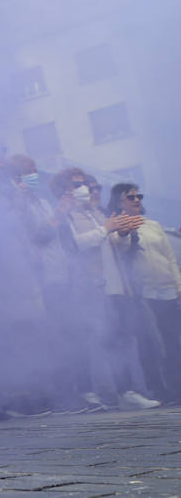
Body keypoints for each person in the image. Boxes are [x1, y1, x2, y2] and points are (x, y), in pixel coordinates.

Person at [58, 167, 161, 410]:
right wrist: (106, 229)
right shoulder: (67, 217)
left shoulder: (96, 212)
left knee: (120, 338)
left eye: (88, 185)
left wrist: (124, 233)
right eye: (78, 184)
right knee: (102, 340)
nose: (86, 190)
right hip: (90, 286)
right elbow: (75, 247)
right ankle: (102, 392)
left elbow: (118, 247)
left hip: (114, 283)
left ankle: (126, 390)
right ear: (64, 190)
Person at [108, 182, 181, 403]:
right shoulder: (117, 226)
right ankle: (160, 389)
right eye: (130, 197)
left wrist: (179, 286)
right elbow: (120, 249)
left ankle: (177, 387)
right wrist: (124, 232)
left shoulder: (153, 224)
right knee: (152, 343)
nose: (137, 200)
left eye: (138, 196)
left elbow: (170, 258)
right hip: (143, 292)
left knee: (174, 341)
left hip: (167, 289)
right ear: (119, 202)